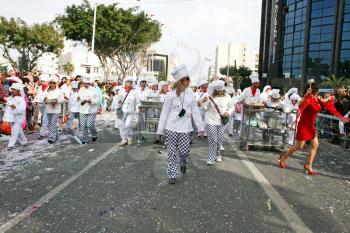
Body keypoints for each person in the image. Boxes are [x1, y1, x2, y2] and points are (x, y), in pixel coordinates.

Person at [279, 83, 350, 175]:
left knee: (315, 145)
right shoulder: (306, 99)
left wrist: (329, 98)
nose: (317, 93)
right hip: (304, 126)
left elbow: (323, 101)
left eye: (316, 92)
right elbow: (300, 105)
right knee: (299, 146)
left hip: (311, 126)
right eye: (316, 91)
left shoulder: (316, 98)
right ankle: (284, 157)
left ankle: (308, 165)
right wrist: (306, 95)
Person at [157, 64, 204, 184]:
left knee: (184, 152)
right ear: (182, 81)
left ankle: (183, 163)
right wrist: (160, 130)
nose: (190, 81)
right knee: (172, 152)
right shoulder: (170, 94)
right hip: (171, 127)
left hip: (185, 128)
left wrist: (200, 128)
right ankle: (172, 174)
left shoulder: (191, 95)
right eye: (188, 79)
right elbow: (164, 113)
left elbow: (196, 112)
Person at [202, 80, 235, 165]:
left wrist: (228, 112)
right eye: (218, 90)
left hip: (222, 121)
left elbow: (232, 107)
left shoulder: (227, 96)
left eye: (221, 90)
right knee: (212, 139)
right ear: (215, 90)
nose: (220, 91)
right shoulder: (210, 96)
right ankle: (210, 157)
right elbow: (205, 108)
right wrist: (204, 101)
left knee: (219, 139)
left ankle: (218, 155)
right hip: (211, 120)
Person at [3, 83, 27, 150]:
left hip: (18, 118)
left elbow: (22, 109)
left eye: (14, 89)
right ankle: (24, 141)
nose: (12, 90)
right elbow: (7, 107)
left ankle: (11, 145)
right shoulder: (10, 98)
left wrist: (15, 107)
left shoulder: (21, 99)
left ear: (18, 90)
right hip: (11, 117)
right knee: (18, 131)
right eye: (12, 89)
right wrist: (5, 105)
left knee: (14, 131)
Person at [117, 76, 140, 146]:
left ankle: (129, 137)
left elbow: (138, 102)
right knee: (121, 125)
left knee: (127, 125)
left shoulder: (135, 91)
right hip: (122, 111)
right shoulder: (121, 90)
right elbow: (118, 99)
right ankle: (124, 139)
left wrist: (138, 107)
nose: (129, 83)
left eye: (130, 82)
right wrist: (118, 102)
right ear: (125, 82)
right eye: (128, 82)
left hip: (131, 111)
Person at [77, 77, 100, 144]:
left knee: (89, 124)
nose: (85, 85)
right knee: (83, 125)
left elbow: (98, 99)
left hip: (92, 110)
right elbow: (78, 98)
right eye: (84, 83)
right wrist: (81, 101)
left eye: (87, 83)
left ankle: (94, 134)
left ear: (89, 83)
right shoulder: (81, 89)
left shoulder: (94, 90)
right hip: (82, 110)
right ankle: (85, 139)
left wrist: (91, 101)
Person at [43, 75, 64, 144]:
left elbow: (62, 99)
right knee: (50, 123)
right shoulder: (46, 90)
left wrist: (56, 100)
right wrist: (45, 100)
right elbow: (44, 99)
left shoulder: (59, 91)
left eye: (54, 82)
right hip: (48, 108)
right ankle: (56, 135)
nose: (52, 84)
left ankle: (52, 137)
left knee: (53, 123)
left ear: (56, 83)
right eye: (51, 82)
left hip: (56, 109)